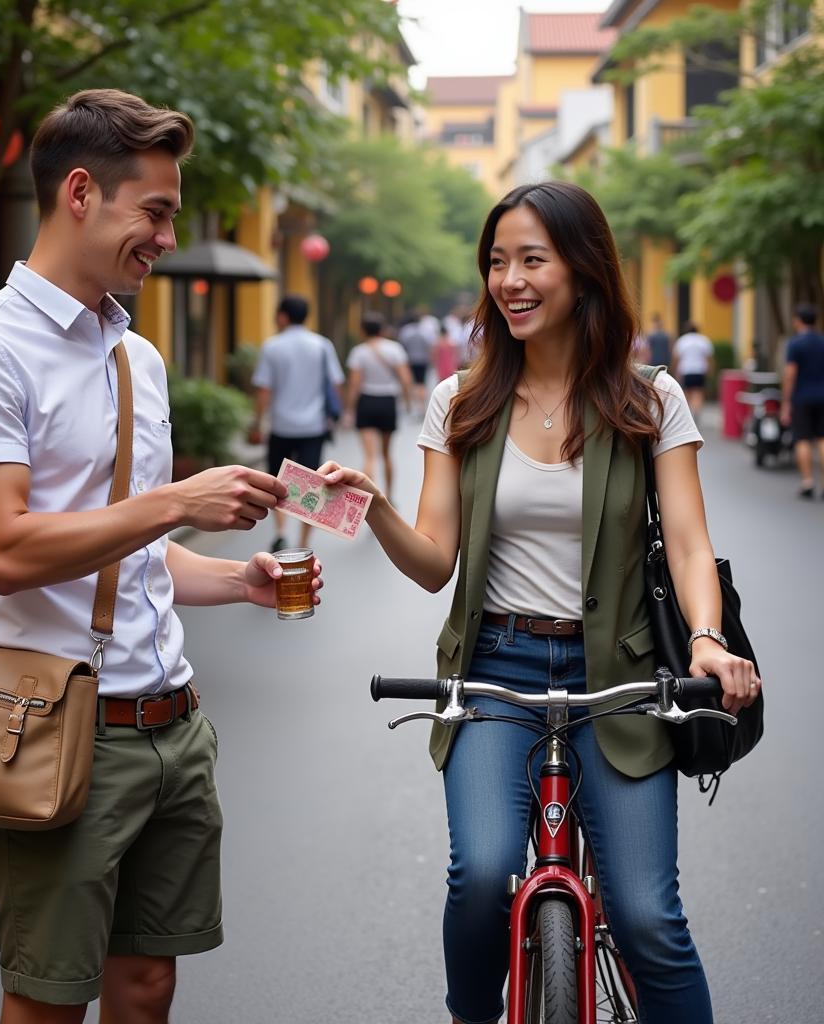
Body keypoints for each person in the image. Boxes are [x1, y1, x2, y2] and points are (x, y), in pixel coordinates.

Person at [0, 89, 320, 1024]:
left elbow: (126, 558)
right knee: (49, 999)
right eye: (156, 211)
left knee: (148, 985)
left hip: (173, 722)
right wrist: (179, 499)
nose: (167, 237)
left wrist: (236, 581)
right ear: (79, 194)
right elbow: (7, 551)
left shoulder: (138, 355)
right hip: (60, 726)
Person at [320, 181, 759, 1024]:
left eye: (532, 259)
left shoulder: (649, 400)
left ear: (584, 270)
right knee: (481, 873)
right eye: (496, 262)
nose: (509, 280)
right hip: (494, 672)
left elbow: (693, 542)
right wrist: (375, 503)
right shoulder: (461, 402)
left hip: (624, 678)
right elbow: (432, 564)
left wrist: (706, 640)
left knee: (645, 917)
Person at [249, 294, 344, 553]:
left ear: (282, 316)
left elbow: (264, 391)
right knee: (312, 485)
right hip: (313, 426)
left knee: (278, 482)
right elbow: (335, 383)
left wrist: (257, 423)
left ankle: (281, 531)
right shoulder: (322, 345)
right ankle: (303, 542)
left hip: (281, 426)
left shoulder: (272, 346)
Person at [345, 312, 412, 500]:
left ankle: (369, 501)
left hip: (366, 401)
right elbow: (405, 379)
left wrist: (349, 409)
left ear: (363, 331)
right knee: (386, 454)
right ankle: (389, 496)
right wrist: (406, 401)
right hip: (388, 402)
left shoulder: (359, 352)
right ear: (382, 330)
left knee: (369, 457)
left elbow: (355, 384)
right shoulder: (395, 349)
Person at [781, 303, 824, 498]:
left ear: (798, 320)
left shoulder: (795, 344)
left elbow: (790, 374)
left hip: (802, 397)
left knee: (803, 439)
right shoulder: (822, 342)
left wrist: (786, 402)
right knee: (822, 439)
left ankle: (807, 482)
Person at [671, 320, 715, 421]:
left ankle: (689, 412)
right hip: (700, 370)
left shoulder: (682, 341)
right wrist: (710, 370)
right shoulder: (703, 340)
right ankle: (696, 411)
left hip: (686, 370)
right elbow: (709, 358)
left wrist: (675, 370)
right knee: (698, 392)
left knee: (687, 392)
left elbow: (676, 358)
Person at [398, 307, 439, 411]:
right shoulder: (426, 331)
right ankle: (421, 405)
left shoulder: (406, 331)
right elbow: (431, 346)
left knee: (413, 382)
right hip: (423, 360)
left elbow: (402, 345)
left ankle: (414, 404)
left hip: (410, 359)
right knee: (422, 383)